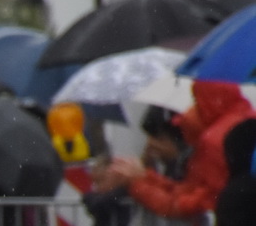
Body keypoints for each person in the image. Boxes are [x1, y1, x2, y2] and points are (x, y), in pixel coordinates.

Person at [100, 80, 253, 218]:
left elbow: (194, 203)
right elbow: (192, 191)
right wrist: (145, 179)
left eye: (196, 99)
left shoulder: (213, 140)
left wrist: (138, 184)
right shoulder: (245, 120)